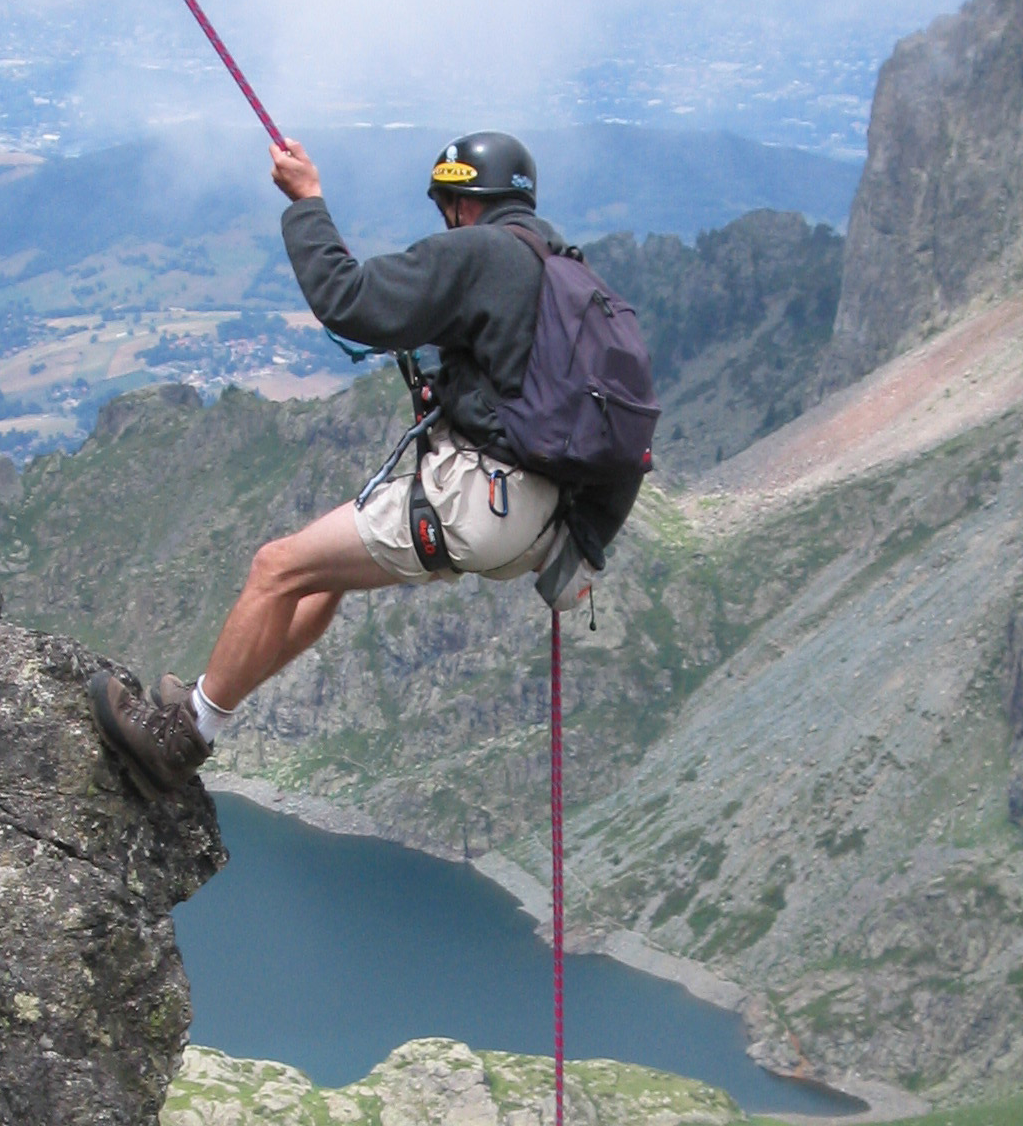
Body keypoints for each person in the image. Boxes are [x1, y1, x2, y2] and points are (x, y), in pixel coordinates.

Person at [88, 131, 639, 796]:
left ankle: (182, 737)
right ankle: (209, 695)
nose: (447, 220)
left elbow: (347, 300)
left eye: (447, 207)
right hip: (541, 522)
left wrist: (306, 202)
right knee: (322, 578)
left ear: (465, 203)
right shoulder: (563, 267)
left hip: (477, 504)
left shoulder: (483, 252)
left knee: (276, 568)